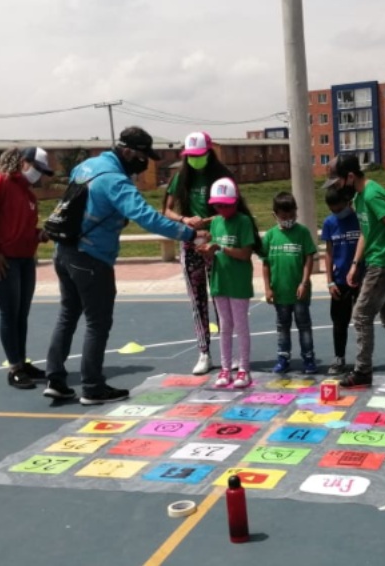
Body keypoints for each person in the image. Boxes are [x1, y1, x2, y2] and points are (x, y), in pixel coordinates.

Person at [43, 127, 208, 405]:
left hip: (64, 251)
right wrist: (190, 234)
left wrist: (113, 220)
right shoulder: (116, 180)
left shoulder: (87, 166)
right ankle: (93, 386)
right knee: (98, 323)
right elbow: (147, 218)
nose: (145, 162)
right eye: (143, 155)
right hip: (92, 257)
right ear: (128, 151)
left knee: (68, 314)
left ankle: (56, 379)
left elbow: (79, 206)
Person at [322, 155, 385, 388]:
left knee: (360, 315)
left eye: (337, 182)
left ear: (350, 177)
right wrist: (355, 263)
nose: (337, 188)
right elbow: (365, 232)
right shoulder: (359, 197)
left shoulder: (372, 194)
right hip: (374, 261)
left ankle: (362, 371)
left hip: (384, 263)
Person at [0, 146, 55, 389]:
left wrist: (39, 235)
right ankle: (15, 368)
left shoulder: (27, 194)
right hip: (3, 259)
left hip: (25, 259)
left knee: (21, 314)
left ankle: (22, 360)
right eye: (37, 169)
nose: (38, 175)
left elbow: (23, 228)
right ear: (24, 162)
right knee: (9, 313)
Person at [162, 132, 235, 375]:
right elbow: (167, 210)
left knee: (221, 299)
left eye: (198, 156)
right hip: (190, 242)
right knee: (197, 299)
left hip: (216, 243)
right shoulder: (181, 177)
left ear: (208, 153)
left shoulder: (222, 175)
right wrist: (185, 219)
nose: (194, 160)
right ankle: (204, 352)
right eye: (190, 156)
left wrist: (211, 219)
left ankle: (228, 351)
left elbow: (234, 208)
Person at [198, 177, 262, 388]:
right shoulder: (216, 222)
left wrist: (220, 248)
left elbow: (245, 253)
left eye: (225, 205)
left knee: (240, 326)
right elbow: (213, 253)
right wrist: (207, 252)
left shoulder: (243, 222)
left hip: (238, 283)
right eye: (217, 205)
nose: (221, 209)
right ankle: (225, 368)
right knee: (224, 327)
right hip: (219, 282)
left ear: (235, 202)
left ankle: (244, 368)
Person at [261, 191, 319, 374]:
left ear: (296, 212)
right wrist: (267, 288)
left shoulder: (302, 232)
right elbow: (265, 264)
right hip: (280, 293)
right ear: (275, 215)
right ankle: (283, 358)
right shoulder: (270, 236)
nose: (288, 219)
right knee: (282, 327)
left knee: (304, 327)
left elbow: (309, 258)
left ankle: (309, 359)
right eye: (283, 216)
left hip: (299, 292)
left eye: (292, 215)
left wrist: (304, 282)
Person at [320, 184, 363, 375]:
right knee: (339, 322)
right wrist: (329, 281)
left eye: (339, 209)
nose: (337, 213)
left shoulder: (360, 219)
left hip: (361, 278)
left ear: (348, 202)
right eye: (333, 211)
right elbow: (329, 253)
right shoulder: (329, 223)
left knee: (363, 321)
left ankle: (363, 361)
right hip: (340, 281)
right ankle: (339, 358)